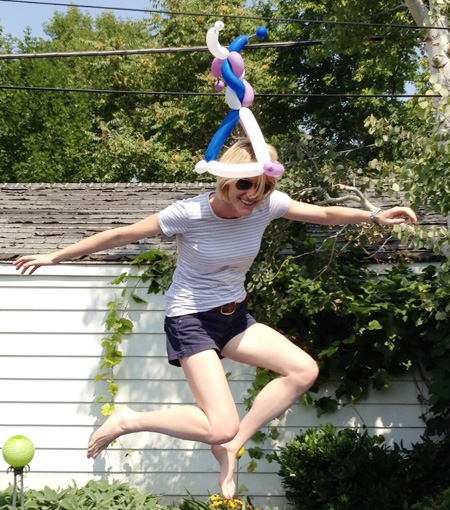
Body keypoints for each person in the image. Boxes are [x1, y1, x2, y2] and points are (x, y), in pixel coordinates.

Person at [14, 138, 417, 499]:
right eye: (246, 184)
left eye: (265, 186)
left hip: (234, 316)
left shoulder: (267, 206)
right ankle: (128, 420)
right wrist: (55, 255)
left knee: (303, 370)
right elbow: (122, 234)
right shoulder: (188, 213)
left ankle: (231, 445)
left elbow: (325, 213)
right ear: (227, 179)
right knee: (218, 423)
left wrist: (374, 216)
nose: (254, 195)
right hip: (191, 318)